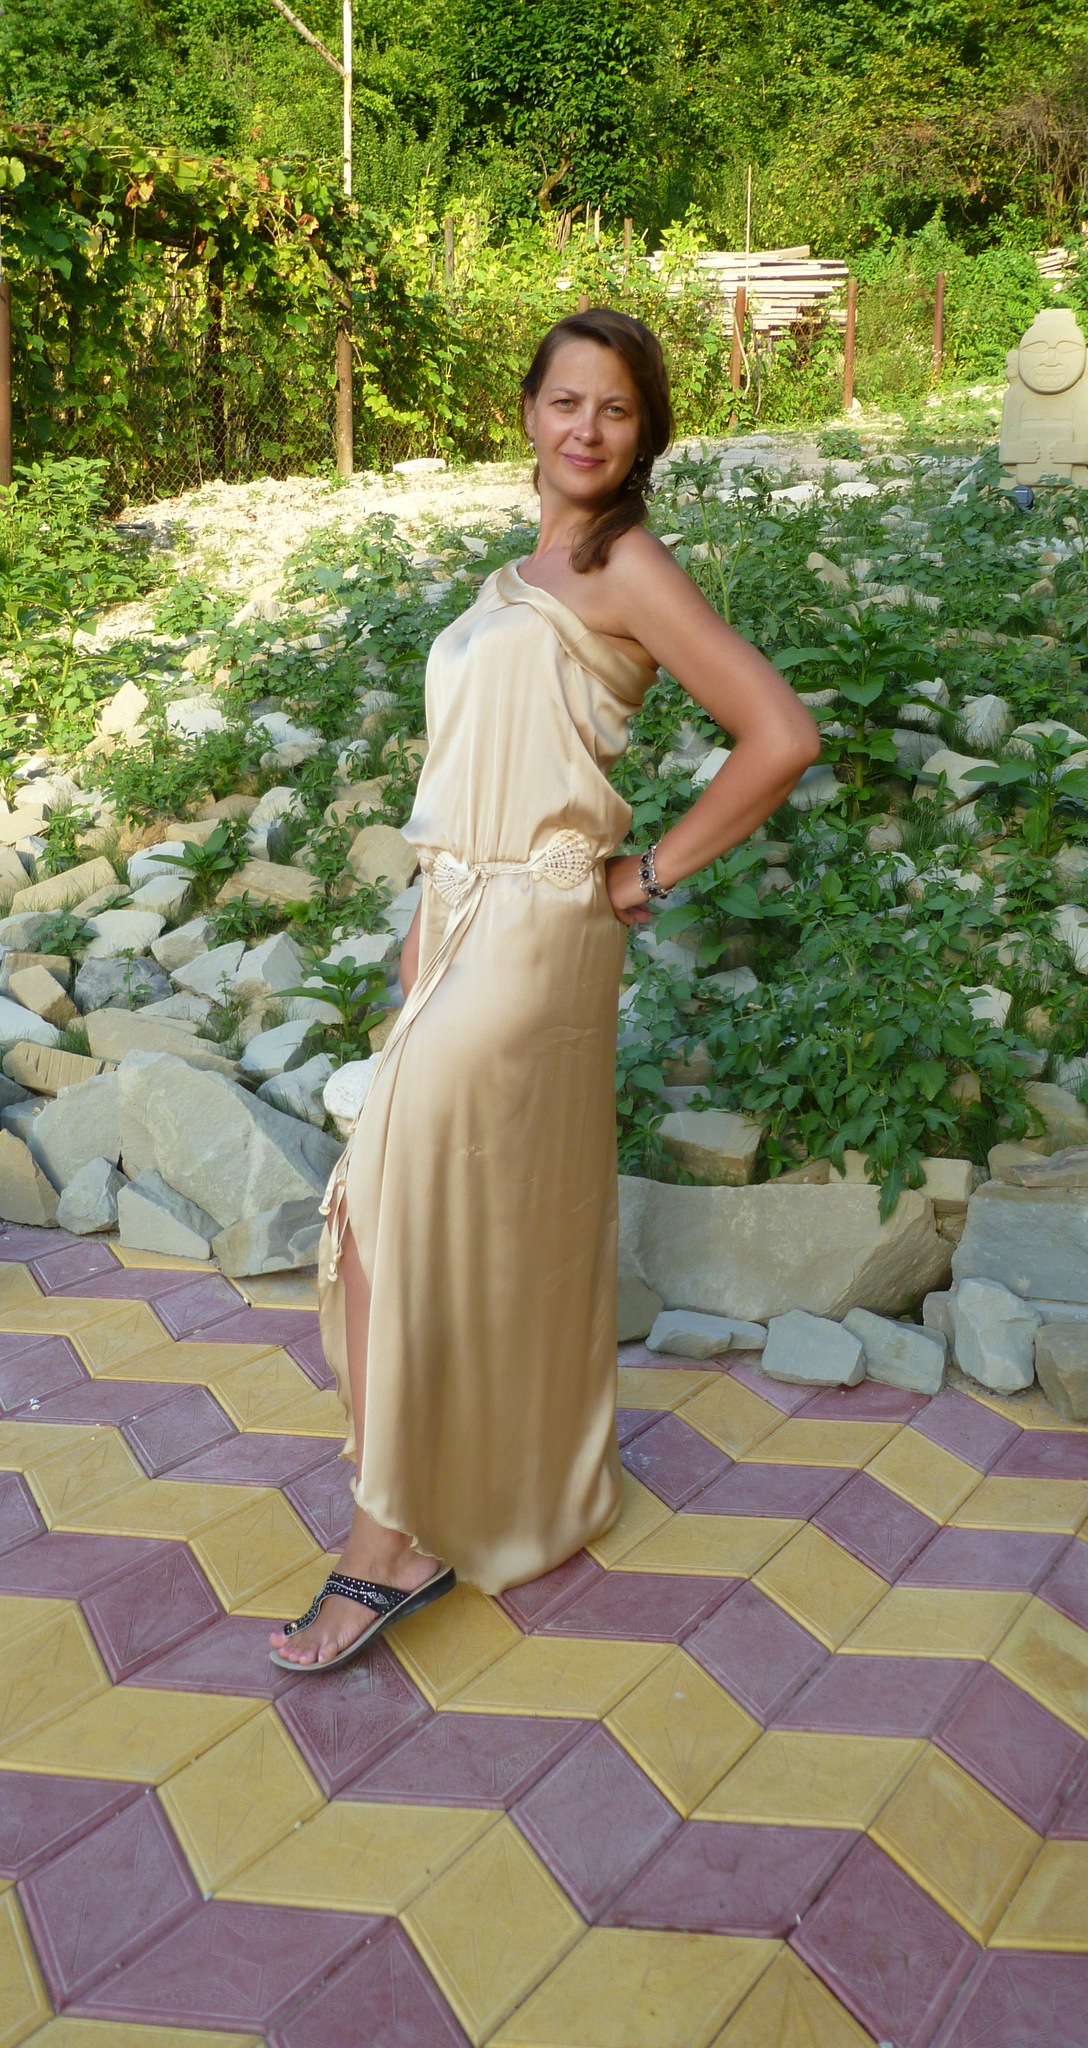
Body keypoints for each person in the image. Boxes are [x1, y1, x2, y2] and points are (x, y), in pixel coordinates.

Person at [269, 307, 820, 1672]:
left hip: (541, 930)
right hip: (459, 921)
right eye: (566, 400)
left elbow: (779, 734)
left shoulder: (629, 564)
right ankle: (477, 1492)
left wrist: (649, 874)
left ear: (644, 434)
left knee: (401, 1206)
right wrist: (420, 940)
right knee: (428, 1213)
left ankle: (386, 1542)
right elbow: (462, 784)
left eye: (615, 409)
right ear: (527, 411)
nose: (586, 427)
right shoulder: (513, 575)